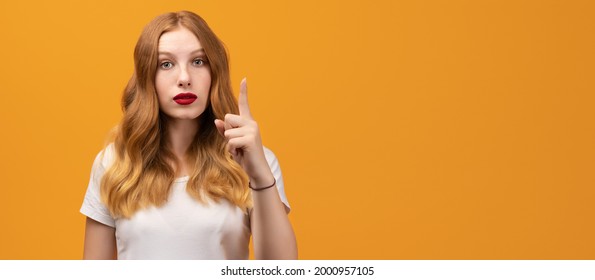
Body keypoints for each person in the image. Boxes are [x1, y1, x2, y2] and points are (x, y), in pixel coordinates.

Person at [80, 10, 297, 259]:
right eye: (166, 64)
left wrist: (259, 176)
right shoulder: (113, 163)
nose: (184, 78)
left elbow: (281, 269)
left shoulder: (257, 162)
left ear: (214, 72)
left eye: (198, 62)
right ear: (146, 77)